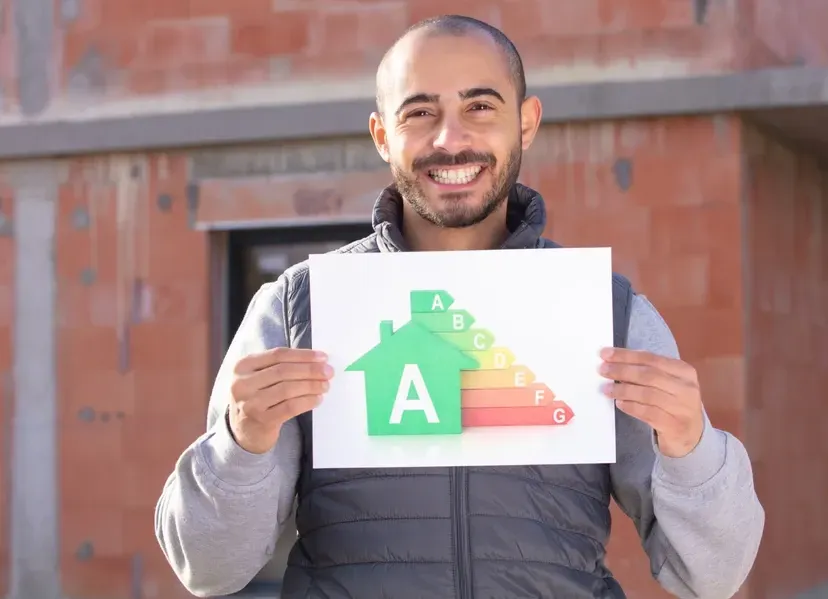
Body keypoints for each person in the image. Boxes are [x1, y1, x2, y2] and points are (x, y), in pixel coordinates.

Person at [155, 15, 764, 599]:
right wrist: (241, 442)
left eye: (480, 107)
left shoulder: (607, 314)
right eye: (420, 112)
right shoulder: (298, 308)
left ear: (525, 123)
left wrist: (693, 446)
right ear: (381, 135)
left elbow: (709, 578)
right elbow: (208, 569)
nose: (450, 139)